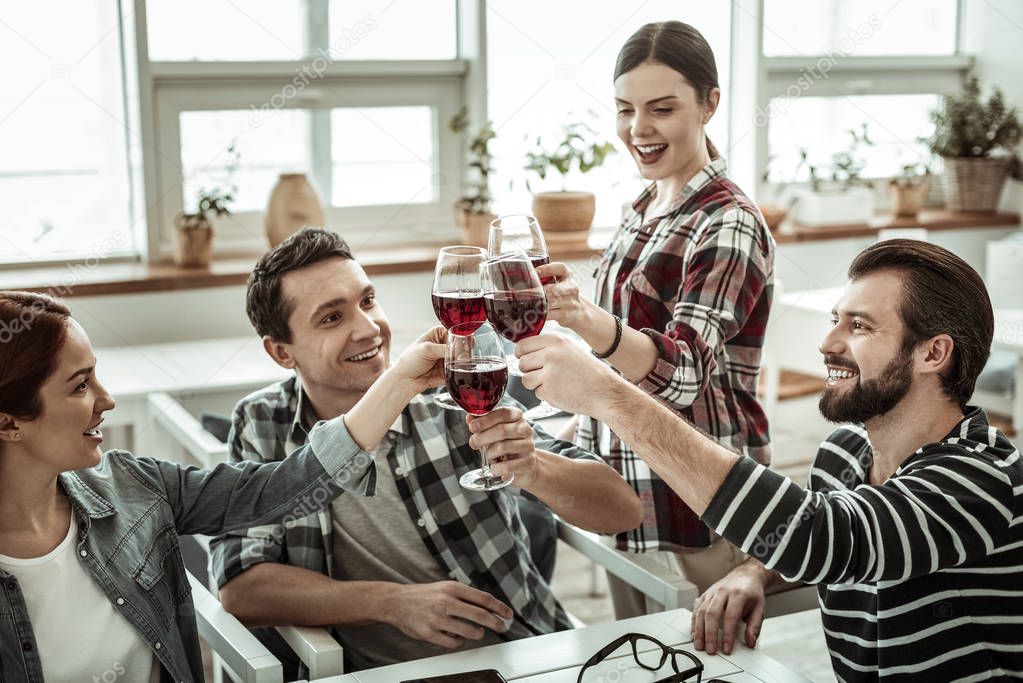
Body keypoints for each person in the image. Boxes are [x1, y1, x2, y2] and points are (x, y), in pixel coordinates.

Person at [519, 239, 1023, 681]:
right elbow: (831, 542)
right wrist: (755, 571)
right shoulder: (843, 456)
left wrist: (610, 395)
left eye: (861, 327)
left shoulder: (980, 479)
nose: (827, 344)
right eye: (836, 321)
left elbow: (819, 538)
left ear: (933, 354)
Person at [209, 228, 642, 672]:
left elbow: (623, 512)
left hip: (520, 656)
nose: (368, 328)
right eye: (331, 319)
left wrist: (533, 468)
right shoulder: (265, 423)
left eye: (368, 301)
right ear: (282, 352)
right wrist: (391, 602)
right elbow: (242, 585)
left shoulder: (455, 389)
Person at [0, 289, 450, 682]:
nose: (107, 399)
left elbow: (285, 486)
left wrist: (401, 380)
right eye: (80, 386)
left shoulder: (131, 488)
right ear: (8, 422)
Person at [538, 20, 775, 615]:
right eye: (625, 109)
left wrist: (589, 322)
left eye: (661, 109)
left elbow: (684, 371)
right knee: (641, 654)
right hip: (620, 469)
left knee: (700, 660)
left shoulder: (729, 222)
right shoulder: (645, 206)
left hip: (696, 489)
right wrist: (574, 312)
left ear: (709, 104)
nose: (638, 129)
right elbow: (616, 349)